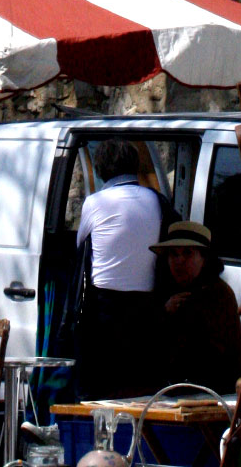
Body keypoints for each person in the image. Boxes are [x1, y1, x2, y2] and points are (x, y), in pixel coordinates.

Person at [75, 141, 167, 397]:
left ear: (101, 169)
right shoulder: (157, 201)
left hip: (104, 307)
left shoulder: (95, 202)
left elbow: (81, 244)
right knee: (137, 389)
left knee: (101, 391)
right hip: (146, 309)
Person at [151, 221, 241, 395]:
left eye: (187, 253)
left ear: (204, 258)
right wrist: (163, 313)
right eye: (173, 254)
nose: (179, 261)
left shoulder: (216, 293)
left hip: (212, 393)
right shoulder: (167, 292)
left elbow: (204, 357)